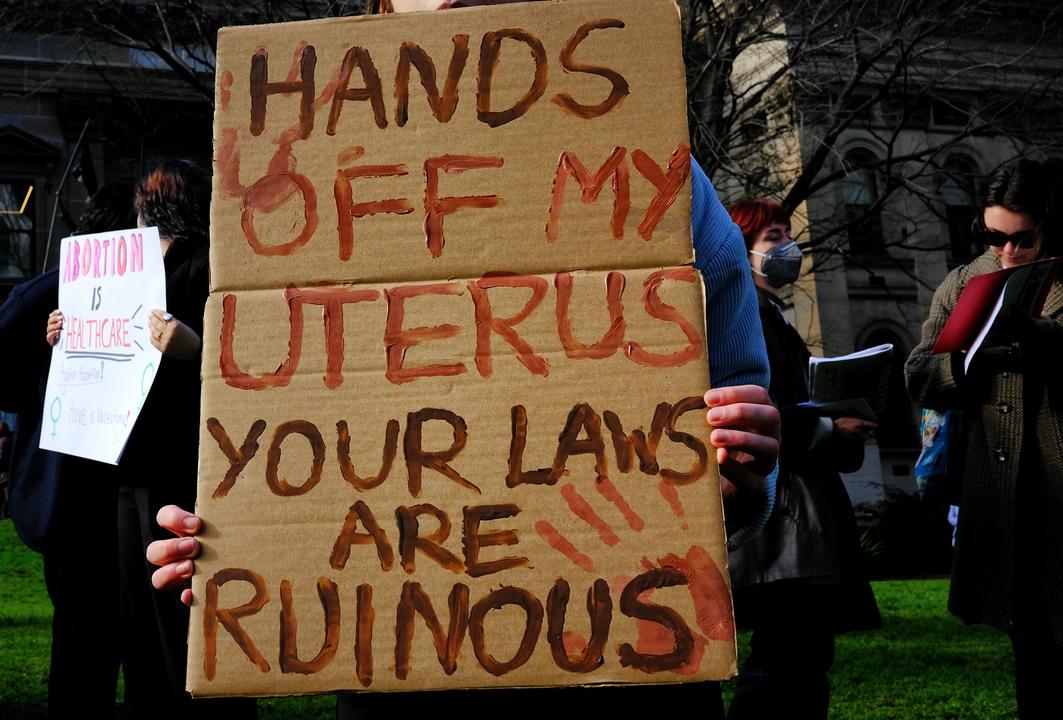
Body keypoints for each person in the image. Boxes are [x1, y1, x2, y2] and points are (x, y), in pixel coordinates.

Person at [147, 2, 781, 708]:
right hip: (398, 656)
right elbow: (280, 439)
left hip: (623, 651)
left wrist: (744, 469)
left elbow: (737, 458)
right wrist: (237, 549)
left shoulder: (655, 171)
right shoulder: (291, 181)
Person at [45, 162, 256, 719]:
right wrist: (66, 337)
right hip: (129, 468)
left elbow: (249, 358)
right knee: (139, 618)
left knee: (180, 623)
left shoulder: (207, 269)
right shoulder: (124, 278)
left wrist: (195, 348)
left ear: (148, 209)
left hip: (183, 471)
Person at [905, 157, 1063, 718]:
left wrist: (1036, 335)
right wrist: (973, 360)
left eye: (1021, 240)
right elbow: (919, 374)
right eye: (993, 236)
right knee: (1034, 657)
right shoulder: (964, 281)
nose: (1006, 253)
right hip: (1008, 496)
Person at [0, 179, 135, 715]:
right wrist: (39, 387)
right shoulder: (47, 292)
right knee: (83, 642)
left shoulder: (145, 292)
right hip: (75, 503)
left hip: (116, 494)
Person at [723, 199, 880, 719]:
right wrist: (830, 426)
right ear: (742, 248)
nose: (786, 247)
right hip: (784, 531)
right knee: (783, 663)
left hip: (800, 526)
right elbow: (753, 415)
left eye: (788, 234)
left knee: (803, 661)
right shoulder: (745, 317)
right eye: (773, 237)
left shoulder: (772, 316)